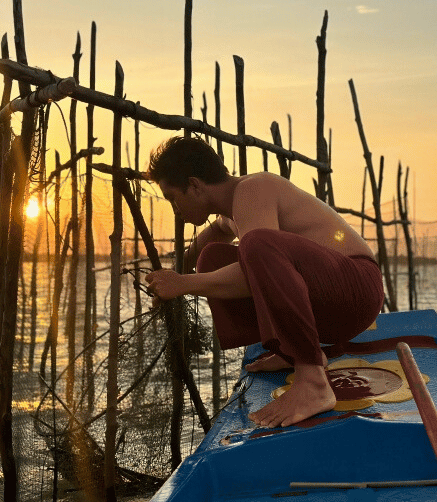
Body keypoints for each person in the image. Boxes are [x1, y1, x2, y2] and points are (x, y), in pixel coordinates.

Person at [144, 136, 384, 428]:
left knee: (257, 245)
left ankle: (313, 382)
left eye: (172, 198)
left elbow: (253, 270)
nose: (175, 209)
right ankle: (290, 350)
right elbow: (211, 238)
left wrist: (183, 283)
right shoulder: (232, 211)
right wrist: (176, 269)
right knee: (212, 257)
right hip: (331, 301)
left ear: (194, 185)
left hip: (357, 291)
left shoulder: (253, 189)